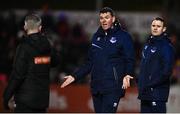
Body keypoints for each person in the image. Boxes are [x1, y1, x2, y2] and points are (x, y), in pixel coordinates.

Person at [61, 7, 135, 113]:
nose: (103, 20)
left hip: (113, 87)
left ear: (113, 19)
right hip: (97, 86)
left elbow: (130, 59)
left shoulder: (124, 36)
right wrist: (75, 76)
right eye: (101, 18)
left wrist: (127, 74)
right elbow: (90, 62)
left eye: (106, 17)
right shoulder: (96, 37)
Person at [3, 14, 59, 112]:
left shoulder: (23, 47)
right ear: (40, 28)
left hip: (24, 102)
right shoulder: (47, 45)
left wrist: (7, 95)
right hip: (42, 102)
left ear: (25, 27)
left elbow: (18, 74)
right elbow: (55, 61)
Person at [137, 17, 175, 113]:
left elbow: (167, 71)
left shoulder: (166, 47)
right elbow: (144, 68)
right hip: (145, 94)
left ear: (164, 29)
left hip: (157, 94)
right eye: (153, 25)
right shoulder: (147, 45)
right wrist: (141, 83)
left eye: (158, 26)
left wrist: (151, 84)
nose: (155, 28)